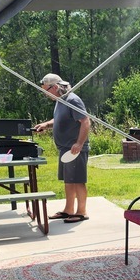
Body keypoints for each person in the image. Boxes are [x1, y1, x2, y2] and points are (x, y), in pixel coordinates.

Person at [33, 73, 91, 223]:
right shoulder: (61, 101)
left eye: (46, 90)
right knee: (68, 180)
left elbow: (85, 121)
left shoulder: (72, 100)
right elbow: (60, 118)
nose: (45, 93)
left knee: (77, 180)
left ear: (55, 87)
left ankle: (82, 212)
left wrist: (79, 143)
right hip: (65, 148)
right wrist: (47, 124)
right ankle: (68, 210)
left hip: (75, 149)